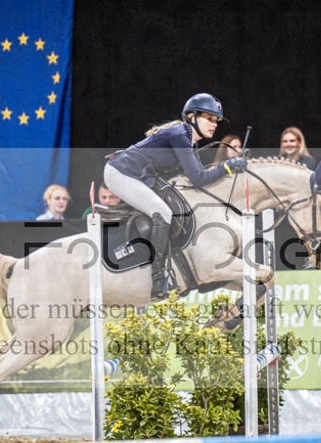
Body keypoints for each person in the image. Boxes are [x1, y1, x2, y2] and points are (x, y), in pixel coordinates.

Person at [103, 93, 246, 299]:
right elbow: (198, 178)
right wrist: (228, 166)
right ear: (192, 116)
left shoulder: (188, 140)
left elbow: (193, 178)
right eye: (209, 118)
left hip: (141, 177)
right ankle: (158, 279)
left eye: (216, 120)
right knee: (163, 212)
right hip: (121, 172)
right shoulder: (181, 134)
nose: (214, 124)